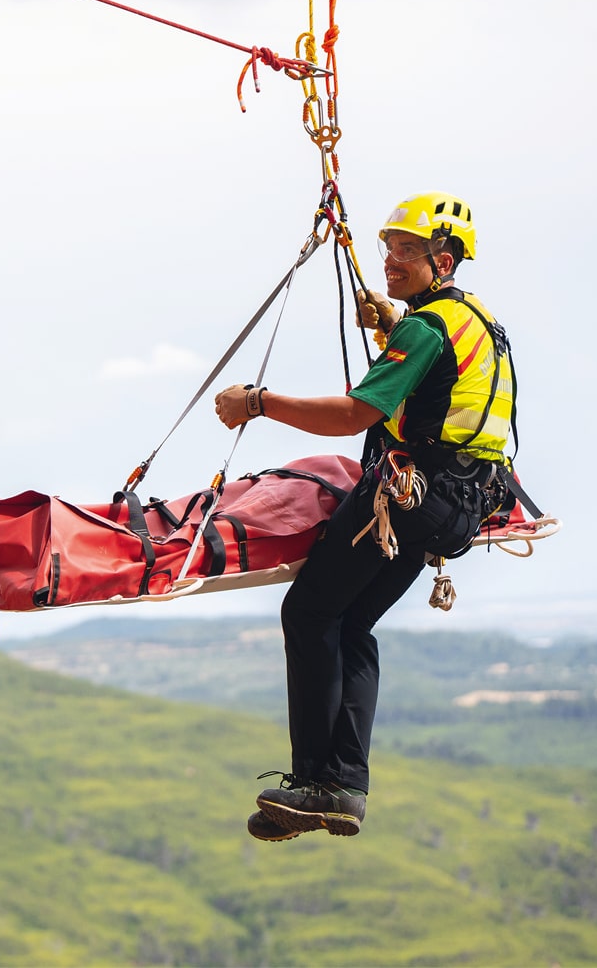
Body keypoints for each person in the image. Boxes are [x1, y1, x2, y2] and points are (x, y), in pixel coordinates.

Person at [211, 191, 518, 842]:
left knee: (309, 612)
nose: (390, 260)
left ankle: (315, 782)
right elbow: (441, 390)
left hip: (405, 495)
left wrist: (258, 402)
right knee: (351, 624)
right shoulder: (475, 321)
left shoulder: (425, 326)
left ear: (444, 258)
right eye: (389, 249)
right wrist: (389, 326)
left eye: (407, 251)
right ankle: (344, 788)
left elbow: (355, 416)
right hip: (454, 507)